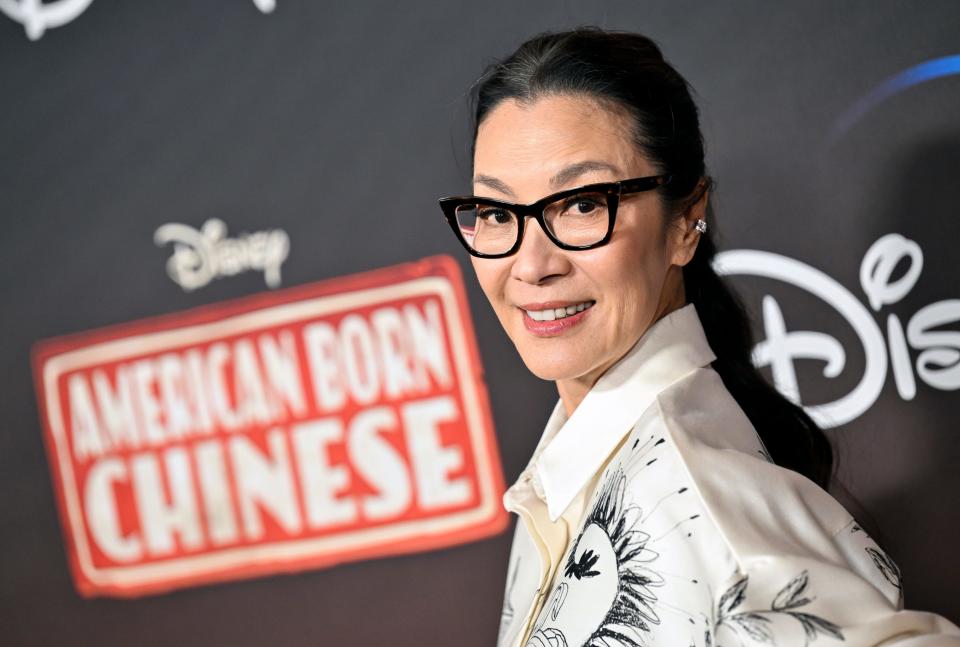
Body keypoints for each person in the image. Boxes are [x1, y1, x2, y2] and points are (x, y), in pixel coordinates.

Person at [437, 27, 960, 647]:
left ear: (686, 222)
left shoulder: (704, 509)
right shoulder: (565, 481)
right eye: (498, 213)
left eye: (581, 204)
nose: (531, 264)